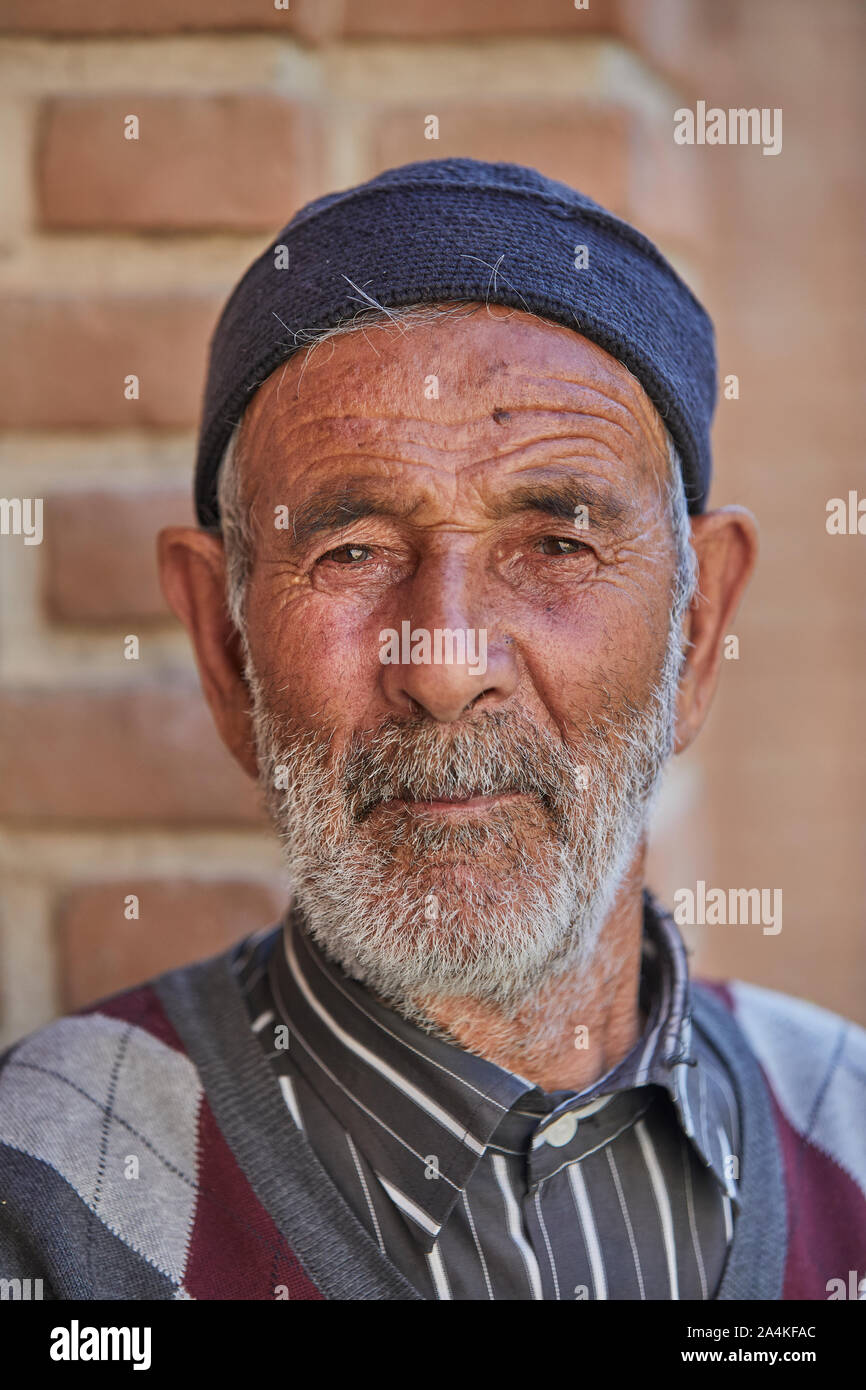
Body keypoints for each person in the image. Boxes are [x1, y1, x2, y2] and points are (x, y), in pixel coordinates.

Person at [0, 159, 863, 1301]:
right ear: (224, 646)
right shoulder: (48, 1194)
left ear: (696, 629)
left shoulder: (845, 1136)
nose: (445, 664)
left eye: (555, 543)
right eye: (349, 551)